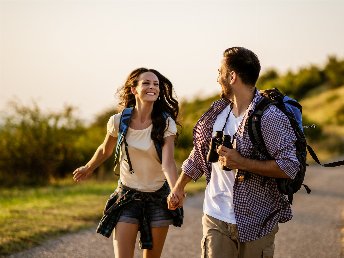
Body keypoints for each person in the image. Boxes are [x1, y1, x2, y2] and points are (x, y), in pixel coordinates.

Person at [168, 47, 300, 258]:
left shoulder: (269, 116)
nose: (217, 77)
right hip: (215, 217)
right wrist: (178, 187)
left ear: (232, 76)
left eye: (220, 71)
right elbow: (199, 154)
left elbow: (290, 166)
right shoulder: (217, 113)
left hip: (258, 221)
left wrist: (242, 162)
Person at [73, 68, 181, 258]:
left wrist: (175, 189)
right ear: (134, 89)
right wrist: (88, 167)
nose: (152, 87)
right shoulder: (118, 121)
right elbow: (105, 149)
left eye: (156, 84)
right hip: (127, 197)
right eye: (146, 83)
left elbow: (168, 163)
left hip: (158, 198)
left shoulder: (165, 123)